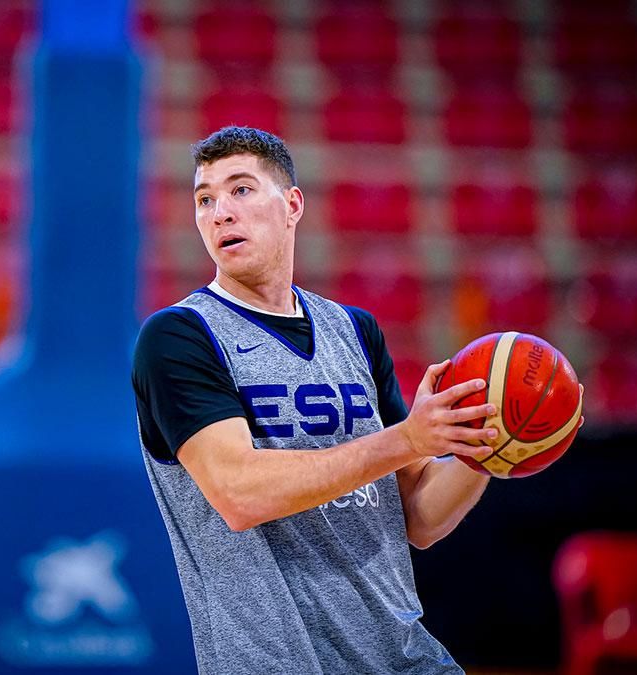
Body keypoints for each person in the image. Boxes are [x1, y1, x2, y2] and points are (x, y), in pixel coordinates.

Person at [132, 126, 496, 673]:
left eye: (241, 189)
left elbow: (418, 517)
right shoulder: (179, 336)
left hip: (402, 656)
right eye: (204, 199)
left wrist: (486, 445)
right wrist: (406, 439)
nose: (219, 212)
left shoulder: (354, 330)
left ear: (292, 205)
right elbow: (239, 494)